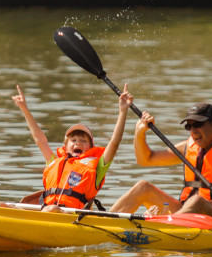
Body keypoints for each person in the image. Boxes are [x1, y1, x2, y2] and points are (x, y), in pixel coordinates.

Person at [109, 101, 212, 220]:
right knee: (143, 187)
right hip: (186, 213)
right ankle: (104, 221)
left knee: (197, 201)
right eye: (189, 126)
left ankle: (162, 226)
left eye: (198, 124)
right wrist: (140, 133)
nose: (193, 131)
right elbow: (145, 159)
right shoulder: (188, 147)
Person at [11, 84, 132, 212]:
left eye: (83, 141)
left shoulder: (98, 167)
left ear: (91, 147)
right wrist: (24, 109)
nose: (77, 143)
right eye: (73, 140)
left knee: (51, 210)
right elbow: (40, 140)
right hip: (47, 210)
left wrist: (123, 112)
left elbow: (114, 142)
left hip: (70, 216)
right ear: (66, 146)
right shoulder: (54, 161)